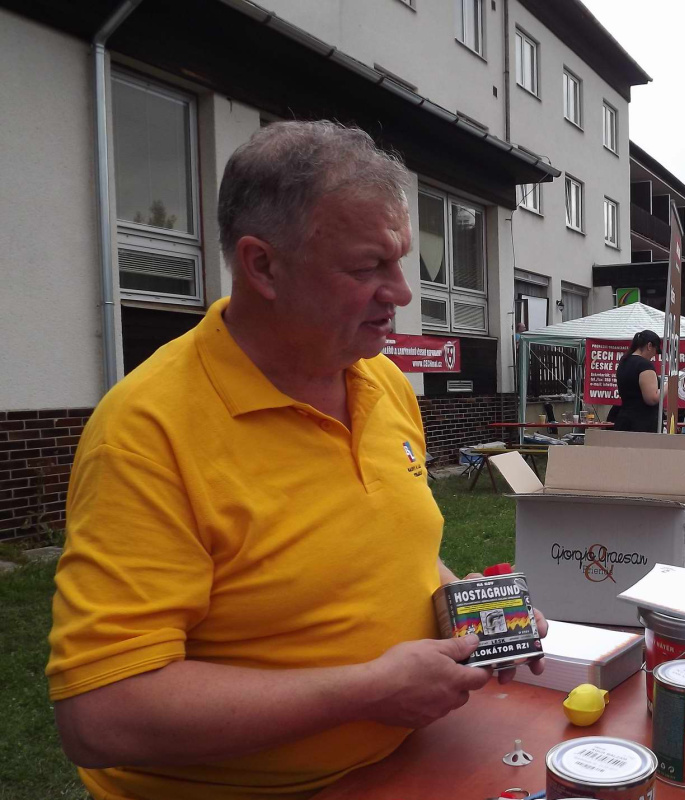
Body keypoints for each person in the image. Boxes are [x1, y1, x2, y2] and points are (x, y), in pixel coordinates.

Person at [45, 121, 546, 800]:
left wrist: (478, 618)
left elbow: (392, 556)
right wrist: (368, 692)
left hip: (410, 764)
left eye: (400, 262)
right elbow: (102, 714)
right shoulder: (146, 432)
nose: (401, 292)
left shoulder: (382, 381)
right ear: (263, 266)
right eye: (367, 266)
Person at [613, 330, 662, 433]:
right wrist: (668, 385)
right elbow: (651, 398)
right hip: (643, 424)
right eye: (655, 351)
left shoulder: (623, 362)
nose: (654, 355)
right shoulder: (644, 365)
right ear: (649, 346)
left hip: (624, 420)